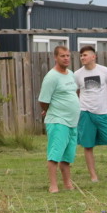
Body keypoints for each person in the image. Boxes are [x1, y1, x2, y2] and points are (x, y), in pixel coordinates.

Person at [74, 46, 107, 182]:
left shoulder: (104, 71)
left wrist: (100, 99)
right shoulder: (77, 74)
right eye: (81, 55)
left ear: (94, 56)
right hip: (85, 113)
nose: (82, 58)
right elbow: (76, 93)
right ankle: (93, 176)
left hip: (102, 113)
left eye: (85, 55)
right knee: (88, 146)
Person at [36, 45, 80, 193]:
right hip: (57, 120)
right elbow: (43, 100)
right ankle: (53, 185)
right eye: (62, 56)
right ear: (55, 57)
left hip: (72, 121)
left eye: (68, 55)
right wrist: (46, 110)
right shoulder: (51, 77)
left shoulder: (70, 74)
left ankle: (68, 184)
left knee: (67, 156)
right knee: (55, 154)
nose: (66, 58)